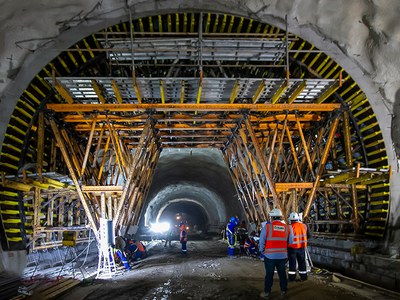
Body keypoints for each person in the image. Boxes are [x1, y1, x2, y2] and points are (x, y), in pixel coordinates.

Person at [258, 208, 289, 299]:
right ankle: (283, 292)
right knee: (282, 274)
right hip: (283, 256)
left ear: (272, 217)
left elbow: (261, 241)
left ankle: (267, 292)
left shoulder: (267, 227)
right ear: (280, 217)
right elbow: (290, 241)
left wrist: (262, 251)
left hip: (270, 256)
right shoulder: (286, 228)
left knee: (269, 275)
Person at [288, 212, 309, 281]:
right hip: (302, 247)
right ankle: (304, 277)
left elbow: (286, 238)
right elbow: (309, 235)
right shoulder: (304, 226)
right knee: (302, 262)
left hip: (292, 248)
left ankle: (292, 278)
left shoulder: (289, 227)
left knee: (292, 263)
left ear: (290, 220)